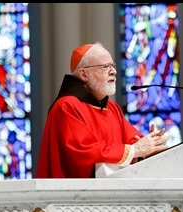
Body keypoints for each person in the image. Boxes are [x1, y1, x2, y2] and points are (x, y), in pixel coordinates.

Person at [36, 42, 170, 178]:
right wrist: (136, 150)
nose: (113, 71)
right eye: (105, 66)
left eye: (113, 65)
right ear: (84, 74)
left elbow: (134, 142)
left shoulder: (112, 108)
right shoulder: (66, 106)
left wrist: (152, 146)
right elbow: (84, 152)